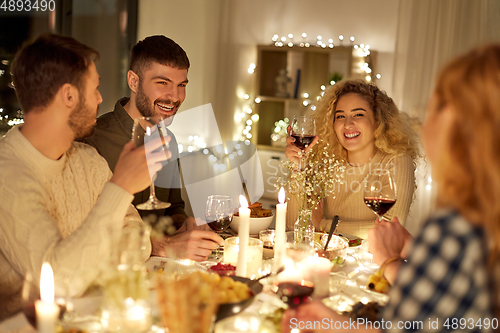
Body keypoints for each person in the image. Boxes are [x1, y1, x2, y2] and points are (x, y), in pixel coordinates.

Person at [282, 44, 500, 332]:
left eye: (433, 108)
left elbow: (384, 231)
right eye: (340, 115)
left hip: (365, 272)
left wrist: (387, 258)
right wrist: (299, 171)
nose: (423, 121)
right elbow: (294, 225)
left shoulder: (454, 224)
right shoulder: (471, 219)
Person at [0, 34, 170, 320]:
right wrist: (121, 187)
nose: (101, 99)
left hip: (100, 318)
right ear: (69, 95)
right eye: (95, 88)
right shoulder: (8, 177)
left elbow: (138, 241)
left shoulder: (87, 159)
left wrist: (80, 260)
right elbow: (59, 283)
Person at [84, 35, 223, 261]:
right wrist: (161, 245)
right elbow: (87, 229)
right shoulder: (93, 141)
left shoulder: (168, 140)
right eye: (162, 83)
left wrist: (184, 223)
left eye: (181, 85)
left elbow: (173, 208)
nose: (175, 96)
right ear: (134, 81)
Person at [285, 79, 420, 239]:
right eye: (340, 116)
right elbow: (293, 224)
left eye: (358, 114)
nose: (348, 124)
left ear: (377, 120)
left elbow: (389, 230)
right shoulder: (326, 161)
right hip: (329, 257)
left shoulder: (396, 160)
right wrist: (297, 167)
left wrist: (323, 224)